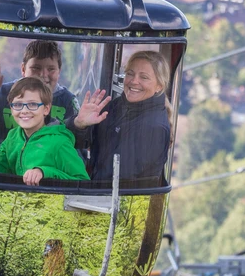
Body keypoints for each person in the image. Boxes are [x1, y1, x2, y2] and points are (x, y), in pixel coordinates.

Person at [72, 50, 172, 184]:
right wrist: (80, 124)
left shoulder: (153, 127)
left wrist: (89, 189)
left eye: (144, 77)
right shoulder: (115, 107)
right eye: (130, 74)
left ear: (159, 86)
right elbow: (79, 143)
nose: (134, 81)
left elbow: (122, 181)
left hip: (114, 201)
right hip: (97, 193)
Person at [0, 78, 89, 186]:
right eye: (18, 105)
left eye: (32, 104)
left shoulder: (59, 143)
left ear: (46, 109)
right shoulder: (13, 137)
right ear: (11, 109)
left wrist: (44, 172)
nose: (24, 110)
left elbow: (82, 182)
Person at [0, 40, 80, 149]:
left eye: (51, 69)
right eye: (36, 68)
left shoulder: (68, 101)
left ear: (59, 71)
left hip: (46, 163)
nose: (43, 75)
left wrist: (81, 124)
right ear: (23, 69)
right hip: (4, 162)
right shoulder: (0, 94)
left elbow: (77, 143)